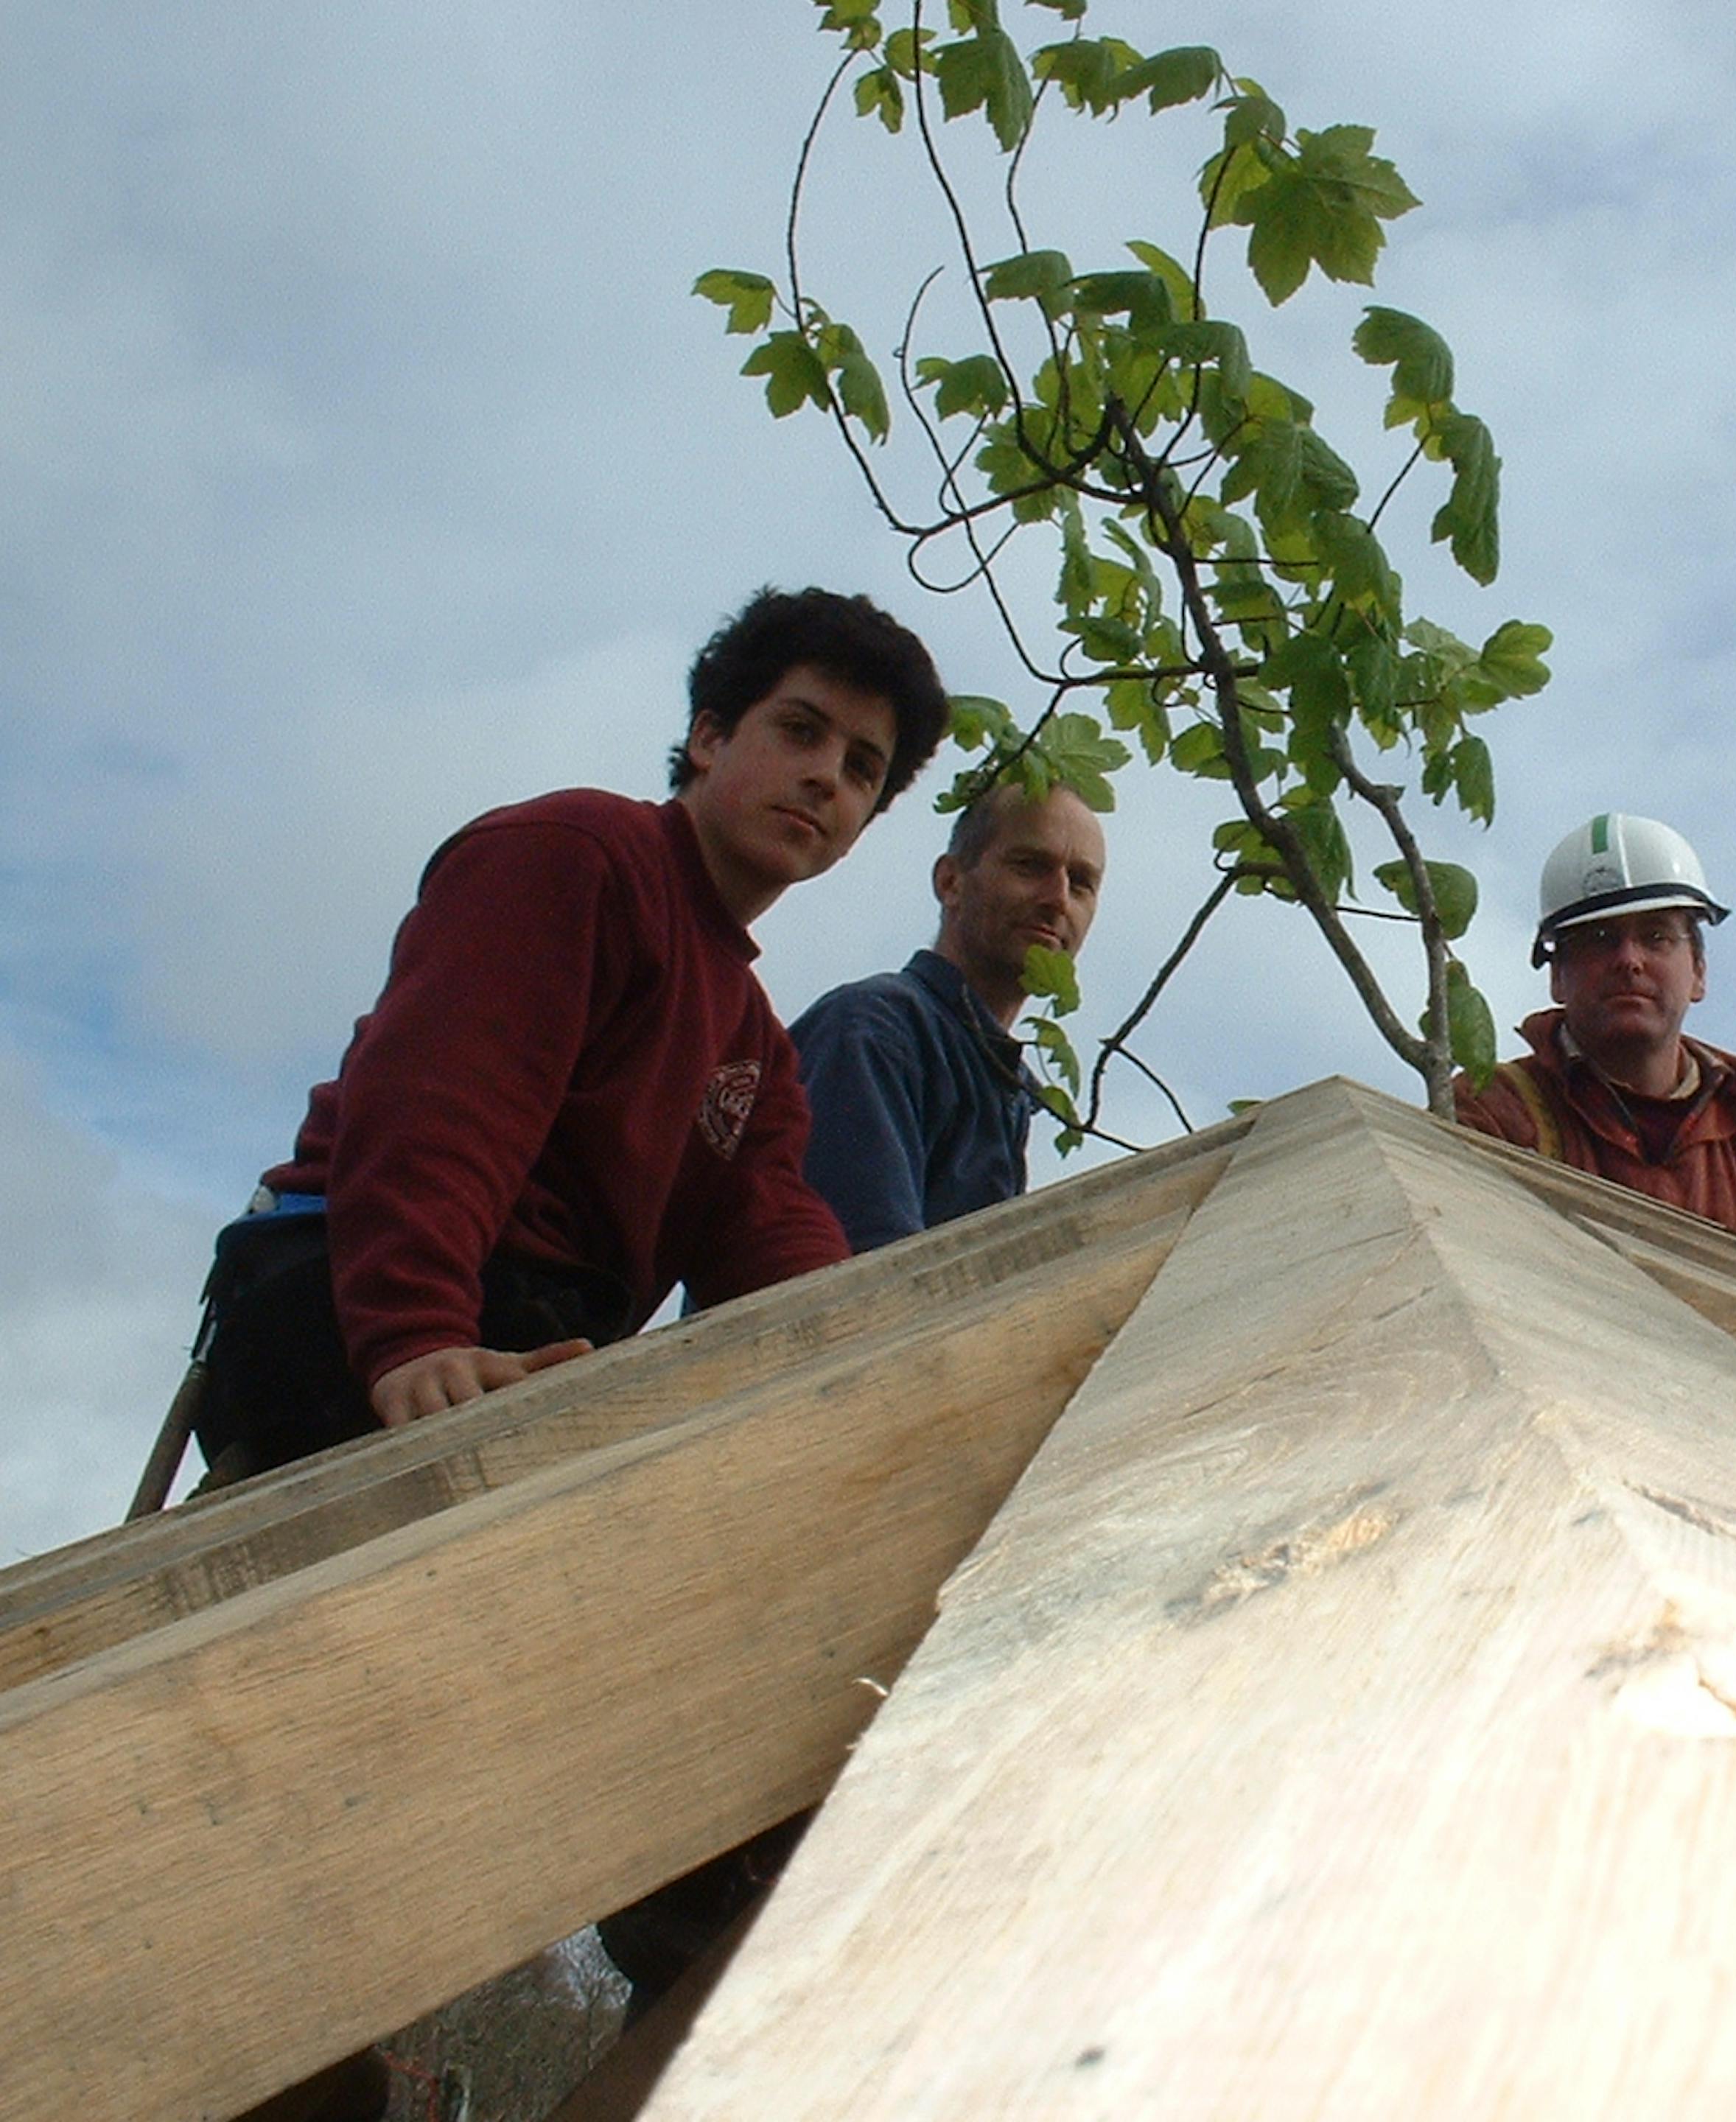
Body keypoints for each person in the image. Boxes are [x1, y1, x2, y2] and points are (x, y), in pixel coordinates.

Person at [192, 587, 950, 2115]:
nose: (826, 777)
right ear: (709, 736)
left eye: (864, 768)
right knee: (272, 1817)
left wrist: (910, 1379)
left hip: (537, 1370)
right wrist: (416, 1335)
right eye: (800, 731)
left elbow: (782, 1251)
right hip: (357, 1305)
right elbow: (442, 1094)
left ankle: (685, 1963)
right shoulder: (578, 856)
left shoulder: (751, 1044)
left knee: (766, 1758)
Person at [791, 782, 1106, 1250]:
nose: (1058, 898)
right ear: (951, 882)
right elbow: (868, 1266)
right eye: (1029, 866)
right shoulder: (874, 1031)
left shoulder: (1004, 1086)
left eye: (1080, 882)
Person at [1456, 813, 1736, 1235]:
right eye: (1599, 939)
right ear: (1557, 978)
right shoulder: (1493, 1111)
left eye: (1656, 937)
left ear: (1699, 972)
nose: (1629, 960)